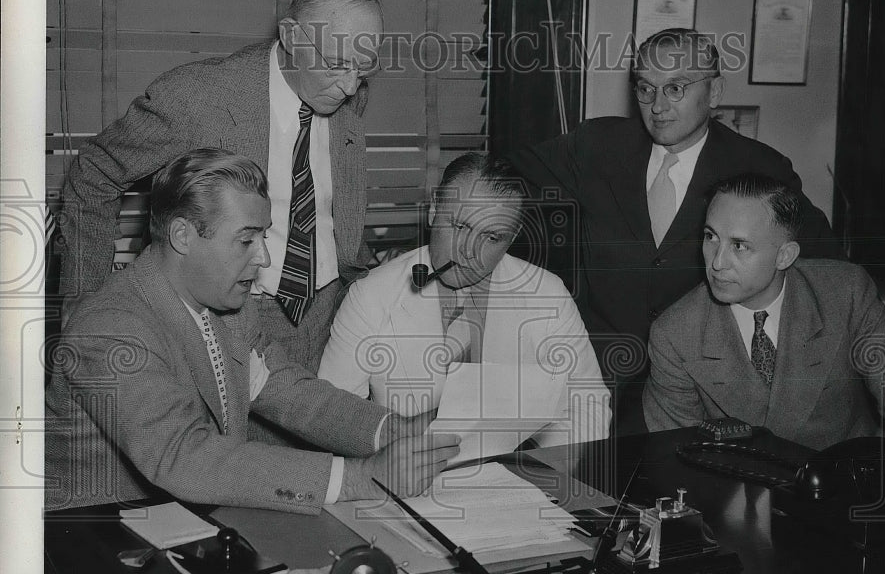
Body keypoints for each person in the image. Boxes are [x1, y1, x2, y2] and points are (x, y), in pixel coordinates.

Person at [45, 149, 459, 514]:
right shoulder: (108, 328)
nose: (264, 258)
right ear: (183, 236)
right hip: (90, 537)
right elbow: (184, 457)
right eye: (246, 240)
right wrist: (357, 478)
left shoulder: (228, 307)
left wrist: (392, 430)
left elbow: (292, 393)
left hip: (184, 524)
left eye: (264, 237)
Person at [508, 28, 843, 436]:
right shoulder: (596, 144)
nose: (658, 105)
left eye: (675, 88)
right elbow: (506, 177)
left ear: (714, 92)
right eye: (645, 88)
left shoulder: (758, 167)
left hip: (702, 390)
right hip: (596, 376)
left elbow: (825, 266)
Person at [58, 0, 383, 372]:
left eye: (364, 67)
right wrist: (84, 293)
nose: (350, 87)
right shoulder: (198, 98)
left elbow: (329, 206)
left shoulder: (349, 95)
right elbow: (93, 175)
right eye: (336, 64)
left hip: (328, 319)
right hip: (226, 320)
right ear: (291, 37)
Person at [643, 173, 885, 492]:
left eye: (739, 245)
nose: (717, 262)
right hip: (734, 505)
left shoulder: (845, 294)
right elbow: (678, 466)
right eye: (711, 237)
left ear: (785, 256)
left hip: (850, 493)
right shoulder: (674, 333)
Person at [317, 152, 611, 452]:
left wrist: (539, 471)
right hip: (399, 470)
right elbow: (333, 419)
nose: (469, 251)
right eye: (460, 227)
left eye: (492, 237)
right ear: (434, 209)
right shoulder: (370, 295)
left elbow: (587, 407)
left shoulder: (548, 294)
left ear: (513, 237)